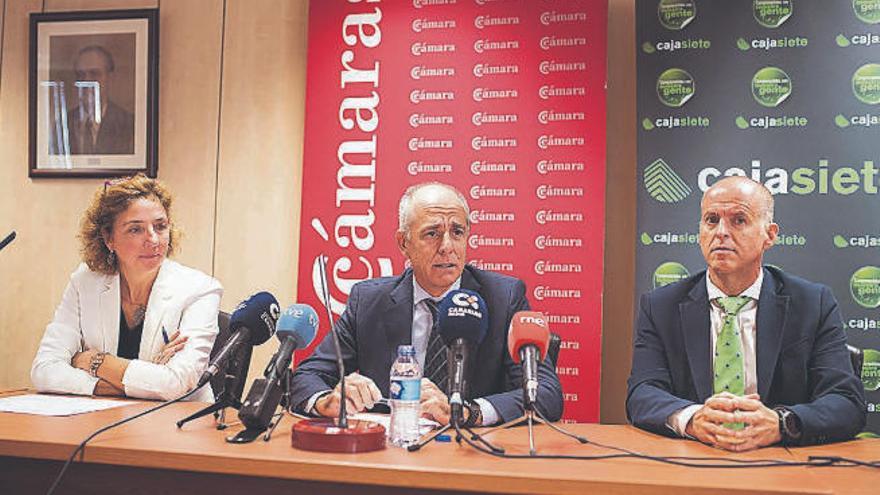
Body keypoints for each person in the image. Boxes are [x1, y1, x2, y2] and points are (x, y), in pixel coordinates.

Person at [290, 182, 563, 426]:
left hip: (472, 456)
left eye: (457, 232)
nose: (447, 246)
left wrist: (469, 412)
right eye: (432, 234)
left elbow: (546, 394)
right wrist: (326, 400)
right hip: (391, 453)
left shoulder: (503, 298)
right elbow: (305, 377)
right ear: (403, 242)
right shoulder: (369, 302)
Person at [627, 176, 865, 450]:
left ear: (770, 235)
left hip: (782, 465)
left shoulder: (812, 303)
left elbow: (846, 401)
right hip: (693, 459)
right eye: (712, 220)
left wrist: (780, 423)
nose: (721, 232)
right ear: (700, 231)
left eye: (739, 220)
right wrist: (693, 419)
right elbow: (642, 393)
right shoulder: (661, 306)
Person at [31, 174, 222, 402]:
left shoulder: (199, 289)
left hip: (178, 423)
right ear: (108, 238)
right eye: (135, 230)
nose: (153, 239)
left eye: (160, 226)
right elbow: (44, 370)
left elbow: (176, 384)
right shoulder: (85, 282)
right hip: (99, 419)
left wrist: (96, 361)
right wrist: (141, 380)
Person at [51, 45, 135, 155]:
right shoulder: (63, 124)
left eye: (94, 74)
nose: (86, 81)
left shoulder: (128, 124)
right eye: (80, 75)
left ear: (110, 78)